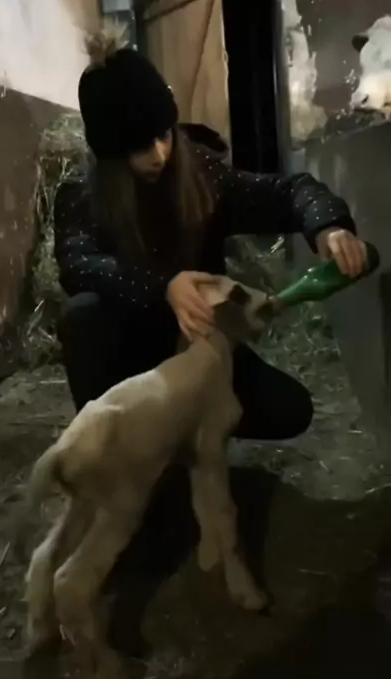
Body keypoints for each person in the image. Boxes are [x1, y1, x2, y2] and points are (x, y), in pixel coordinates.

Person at [53, 23, 366, 442]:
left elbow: (287, 192)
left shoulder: (200, 172)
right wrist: (163, 286)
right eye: (140, 146)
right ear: (110, 154)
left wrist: (328, 225)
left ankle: (187, 433)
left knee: (289, 410)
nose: (159, 154)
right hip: (130, 351)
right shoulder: (81, 194)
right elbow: (78, 265)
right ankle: (115, 448)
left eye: (163, 135)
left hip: (200, 341)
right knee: (81, 317)